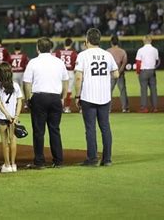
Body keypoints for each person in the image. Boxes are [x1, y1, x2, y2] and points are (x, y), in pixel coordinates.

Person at [75, 28, 119, 167]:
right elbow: (116, 74)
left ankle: (92, 158)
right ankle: (107, 159)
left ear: (87, 41)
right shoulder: (107, 54)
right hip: (105, 96)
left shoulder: (83, 55)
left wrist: (77, 96)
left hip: (88, 96)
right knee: (105, 127)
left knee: (90, 128)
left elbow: (78, 77)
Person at [23, 37, 68, 169]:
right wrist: (63, 97)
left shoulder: (33, 62)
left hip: (39, 98)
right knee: (55, 130)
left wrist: (28, 99)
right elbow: (65, 81)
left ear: (38, 48)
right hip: (55, 98)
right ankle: (58, 161)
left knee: (38, 131)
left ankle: (39, 161)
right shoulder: (59, 62)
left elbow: (27, 83)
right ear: (51, 48)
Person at [0, 62, 23, 173]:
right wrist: (16, 116)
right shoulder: (15, 85)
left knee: (5, 142)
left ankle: (7, 165)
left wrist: (6, 114)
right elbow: (20, 101)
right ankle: (13, 164)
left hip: (2, 117)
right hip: (13, 118)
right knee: (13, 140)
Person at [135, 35, 159, 113]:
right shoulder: (155, 50)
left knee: (143, 90)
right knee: (153, 90)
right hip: (152, 71)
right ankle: (155, 107)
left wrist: (138, 72)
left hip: (143, 71)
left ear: (144, 41)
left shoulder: (140, 50)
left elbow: (138, 63)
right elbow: (156, 60)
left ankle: (144, 108)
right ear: (151, 41)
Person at [54, 38, 78, 113]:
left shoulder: (58, 52)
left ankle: (60, 107)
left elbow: (55, 62)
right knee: (69, 90)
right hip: (70, 72)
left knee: (59, 90)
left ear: (64, 43)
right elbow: (75, 64)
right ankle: (67, 108)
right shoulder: (74, 52)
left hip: (60, 72)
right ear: (71, 44)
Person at [107, 36, 129, 113]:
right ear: (118, 42)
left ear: (111, 43)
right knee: (122, 90)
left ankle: (108, 109)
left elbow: (106, 63)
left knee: (108, 91)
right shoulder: (122, 51)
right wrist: (120, 71)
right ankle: (125, 108)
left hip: (111, 73)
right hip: (120, 73)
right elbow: (124, 63)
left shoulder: (108, 51)